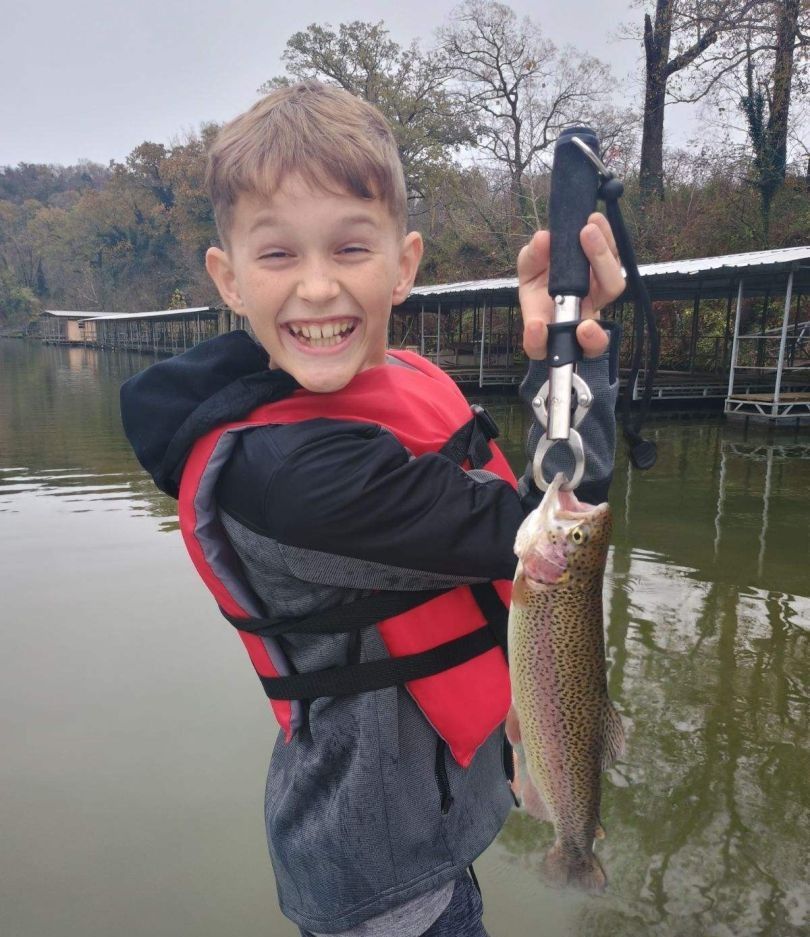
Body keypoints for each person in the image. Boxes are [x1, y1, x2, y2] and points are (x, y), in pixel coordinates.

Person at [120, 81, 625, 937]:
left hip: (438, 823)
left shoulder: (387, 391)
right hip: (384, 889)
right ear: (228, 279)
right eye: (278, 255)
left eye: (351, 248)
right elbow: (541, 536)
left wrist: (565, 354)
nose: (318, 288)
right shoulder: (292, 482)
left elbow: (551, 503)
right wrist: (578, 373)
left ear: (405, 264)